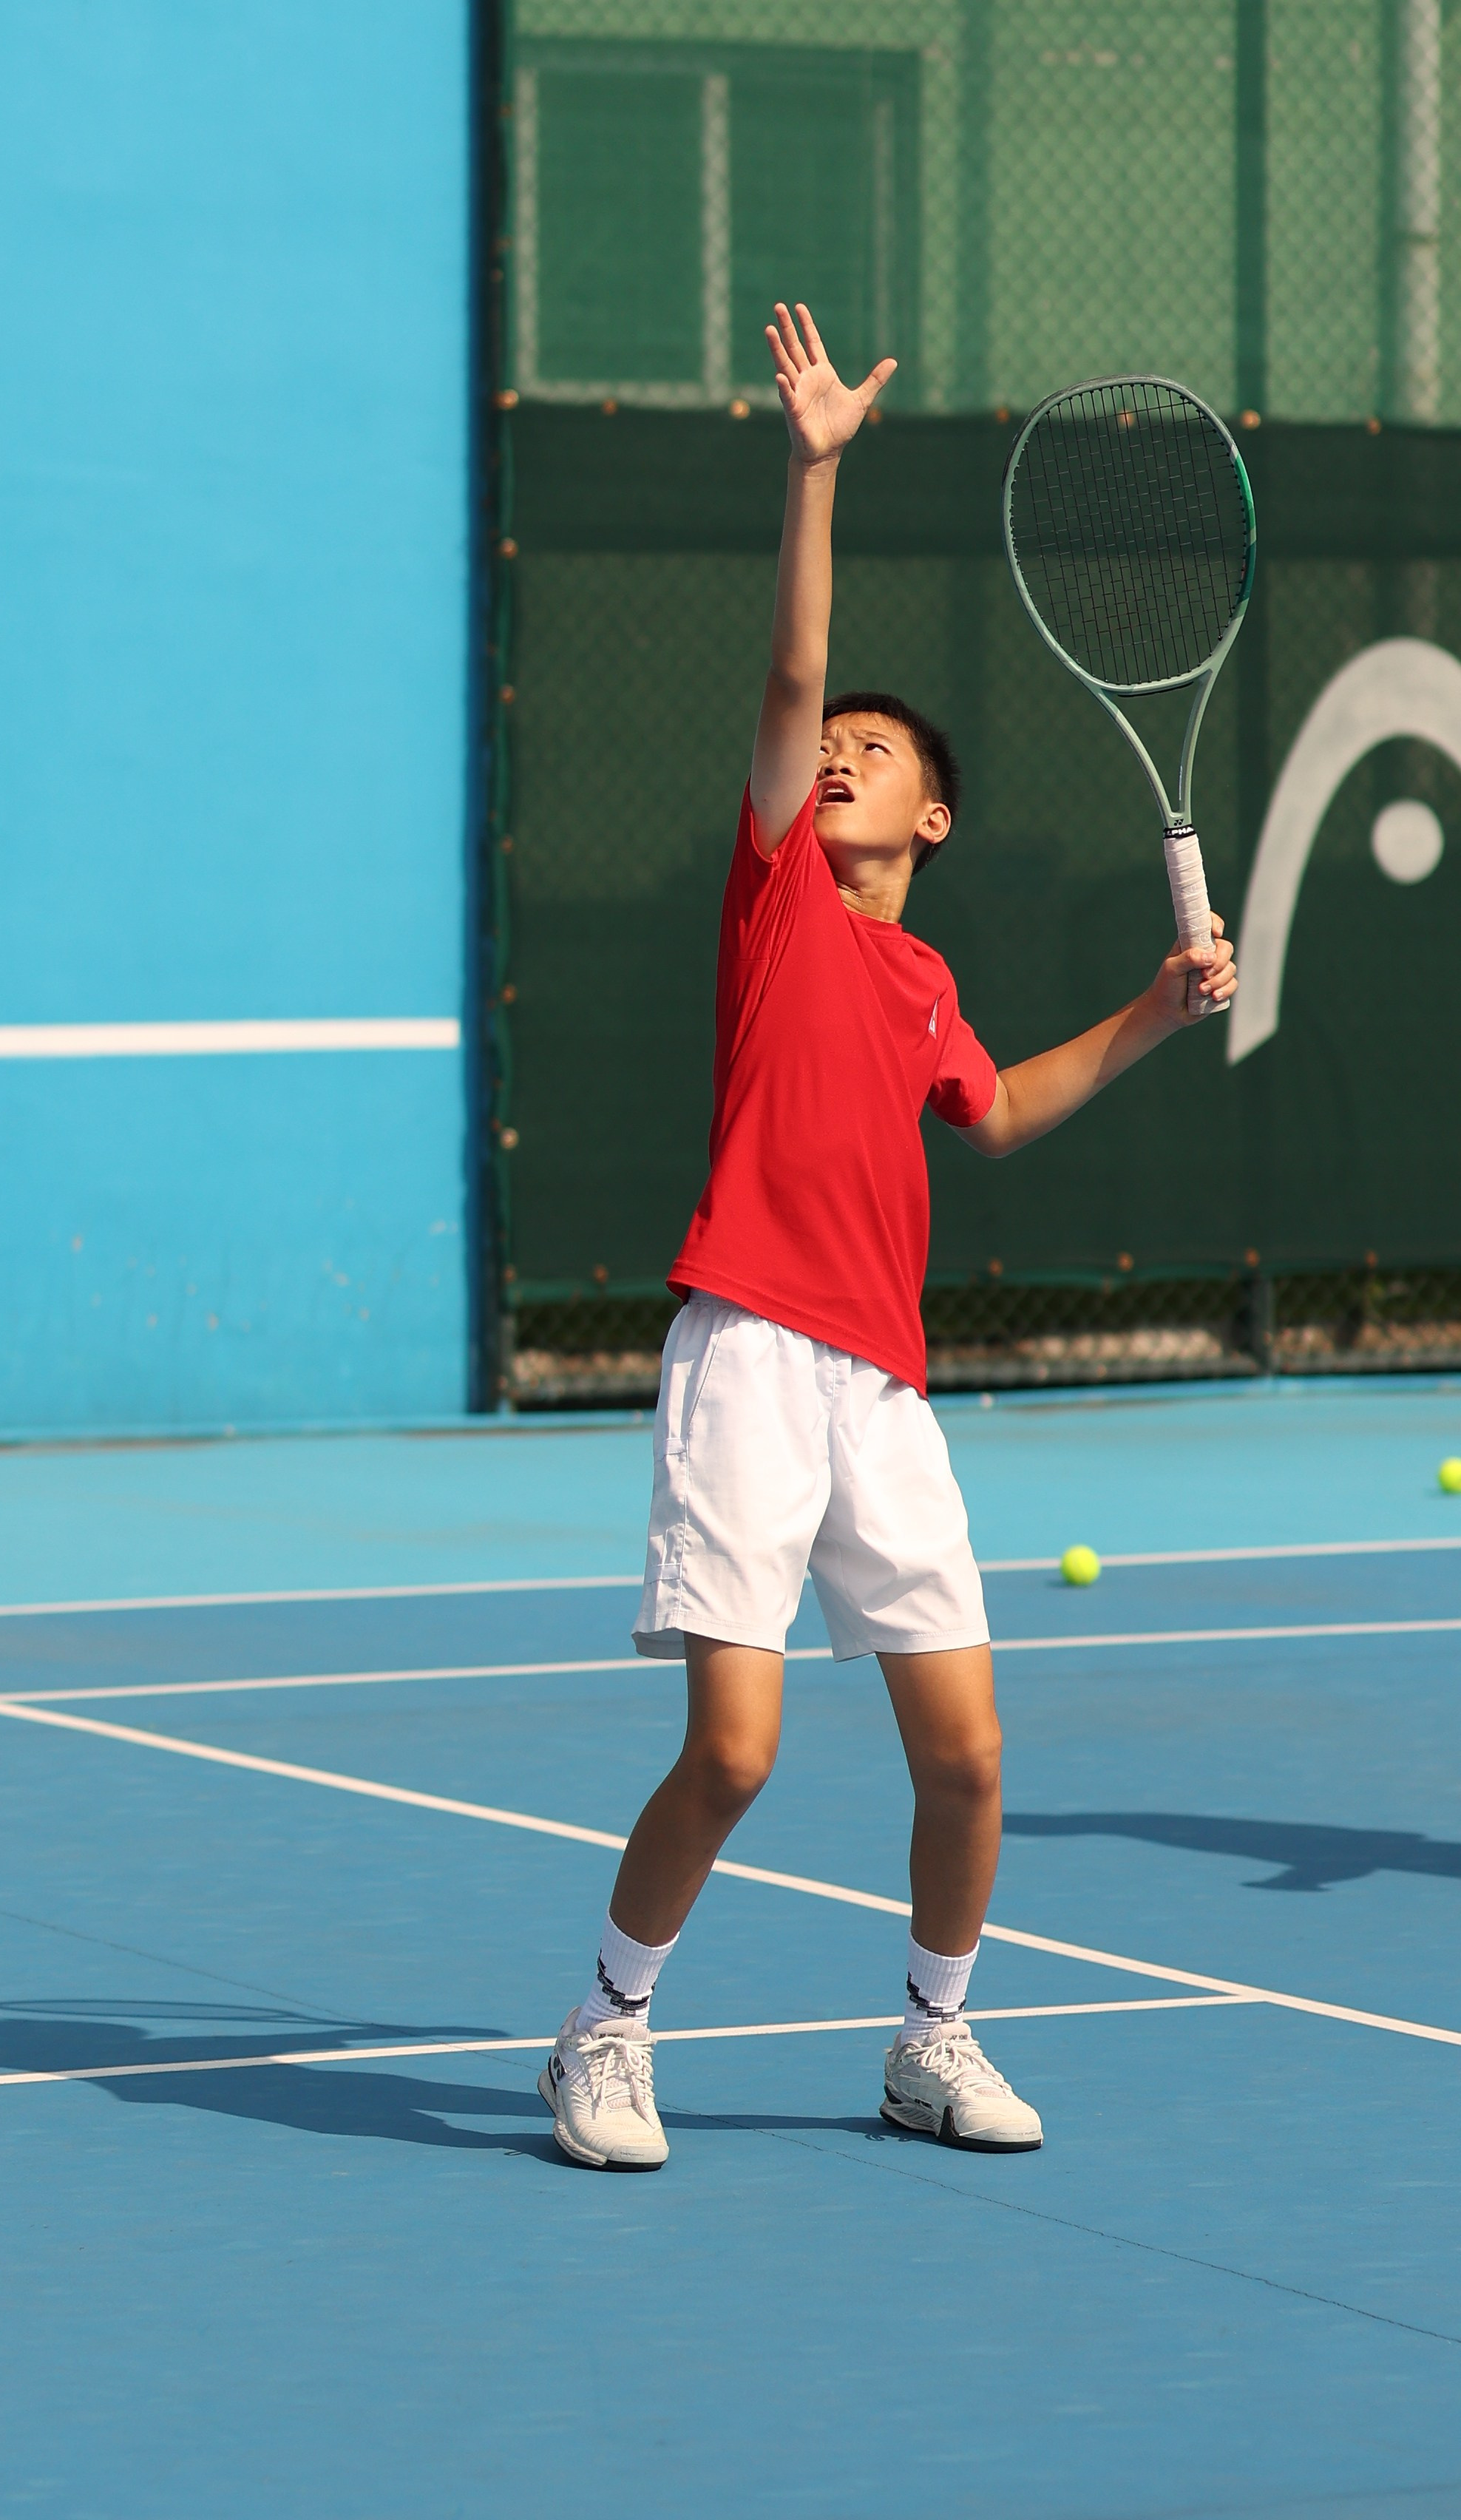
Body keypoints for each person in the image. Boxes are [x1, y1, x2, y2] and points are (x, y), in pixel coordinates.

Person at [538, 302, 1238, 2171]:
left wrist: (1152, 1011)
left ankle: (928, 2037)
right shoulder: (774, 900)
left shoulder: (920, 979)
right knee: (735, 1752)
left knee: (969, 1757)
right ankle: (602, 2029)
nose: (836, 753)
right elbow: (789, 672)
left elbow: (991, 1109)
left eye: (872, 751)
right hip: (747, 1353)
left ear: (933, 817)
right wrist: (814, 470)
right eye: (827, 745)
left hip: (880, 1385)